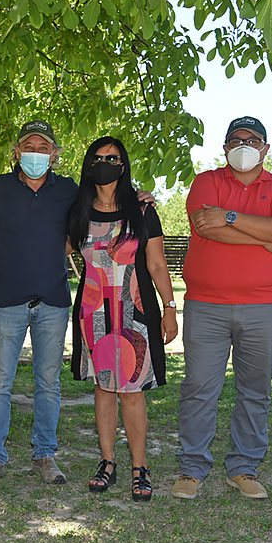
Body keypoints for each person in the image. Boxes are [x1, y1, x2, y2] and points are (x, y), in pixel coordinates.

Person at [172, 116, 272, 500]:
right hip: (206, 305)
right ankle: (192, 468)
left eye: (253, 139)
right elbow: (205, 227)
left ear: (265, 148)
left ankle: (244, 468)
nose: (244, 145)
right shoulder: (207, 181)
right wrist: (262, 238)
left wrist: (230, 217)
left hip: (265, 306)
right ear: (225, 147)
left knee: (255, 391)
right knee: (199, 387)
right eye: (236, 140)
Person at [0, 120, 78, 486]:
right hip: (7, 302)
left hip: (53, 302)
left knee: (48, 384)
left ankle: (45, 455)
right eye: (29, 146)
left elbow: (100, 214)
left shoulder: (69, 190)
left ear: (55, 154)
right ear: (16, 152)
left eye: (43, 148)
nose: (35, 153)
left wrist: (138, 198)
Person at [68, 137, 179, 502]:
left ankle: (139, 467)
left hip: (136, 311)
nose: (105, 164)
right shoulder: (77, 211)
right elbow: (53, 247)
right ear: (88, 165)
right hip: (94, 312)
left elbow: (157, 263)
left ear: (123, 163)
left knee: (131, 390)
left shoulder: (142, 209)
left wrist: (170, 308)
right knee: (103, 388)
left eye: (112, 158)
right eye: (98, 158)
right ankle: (107, 462)